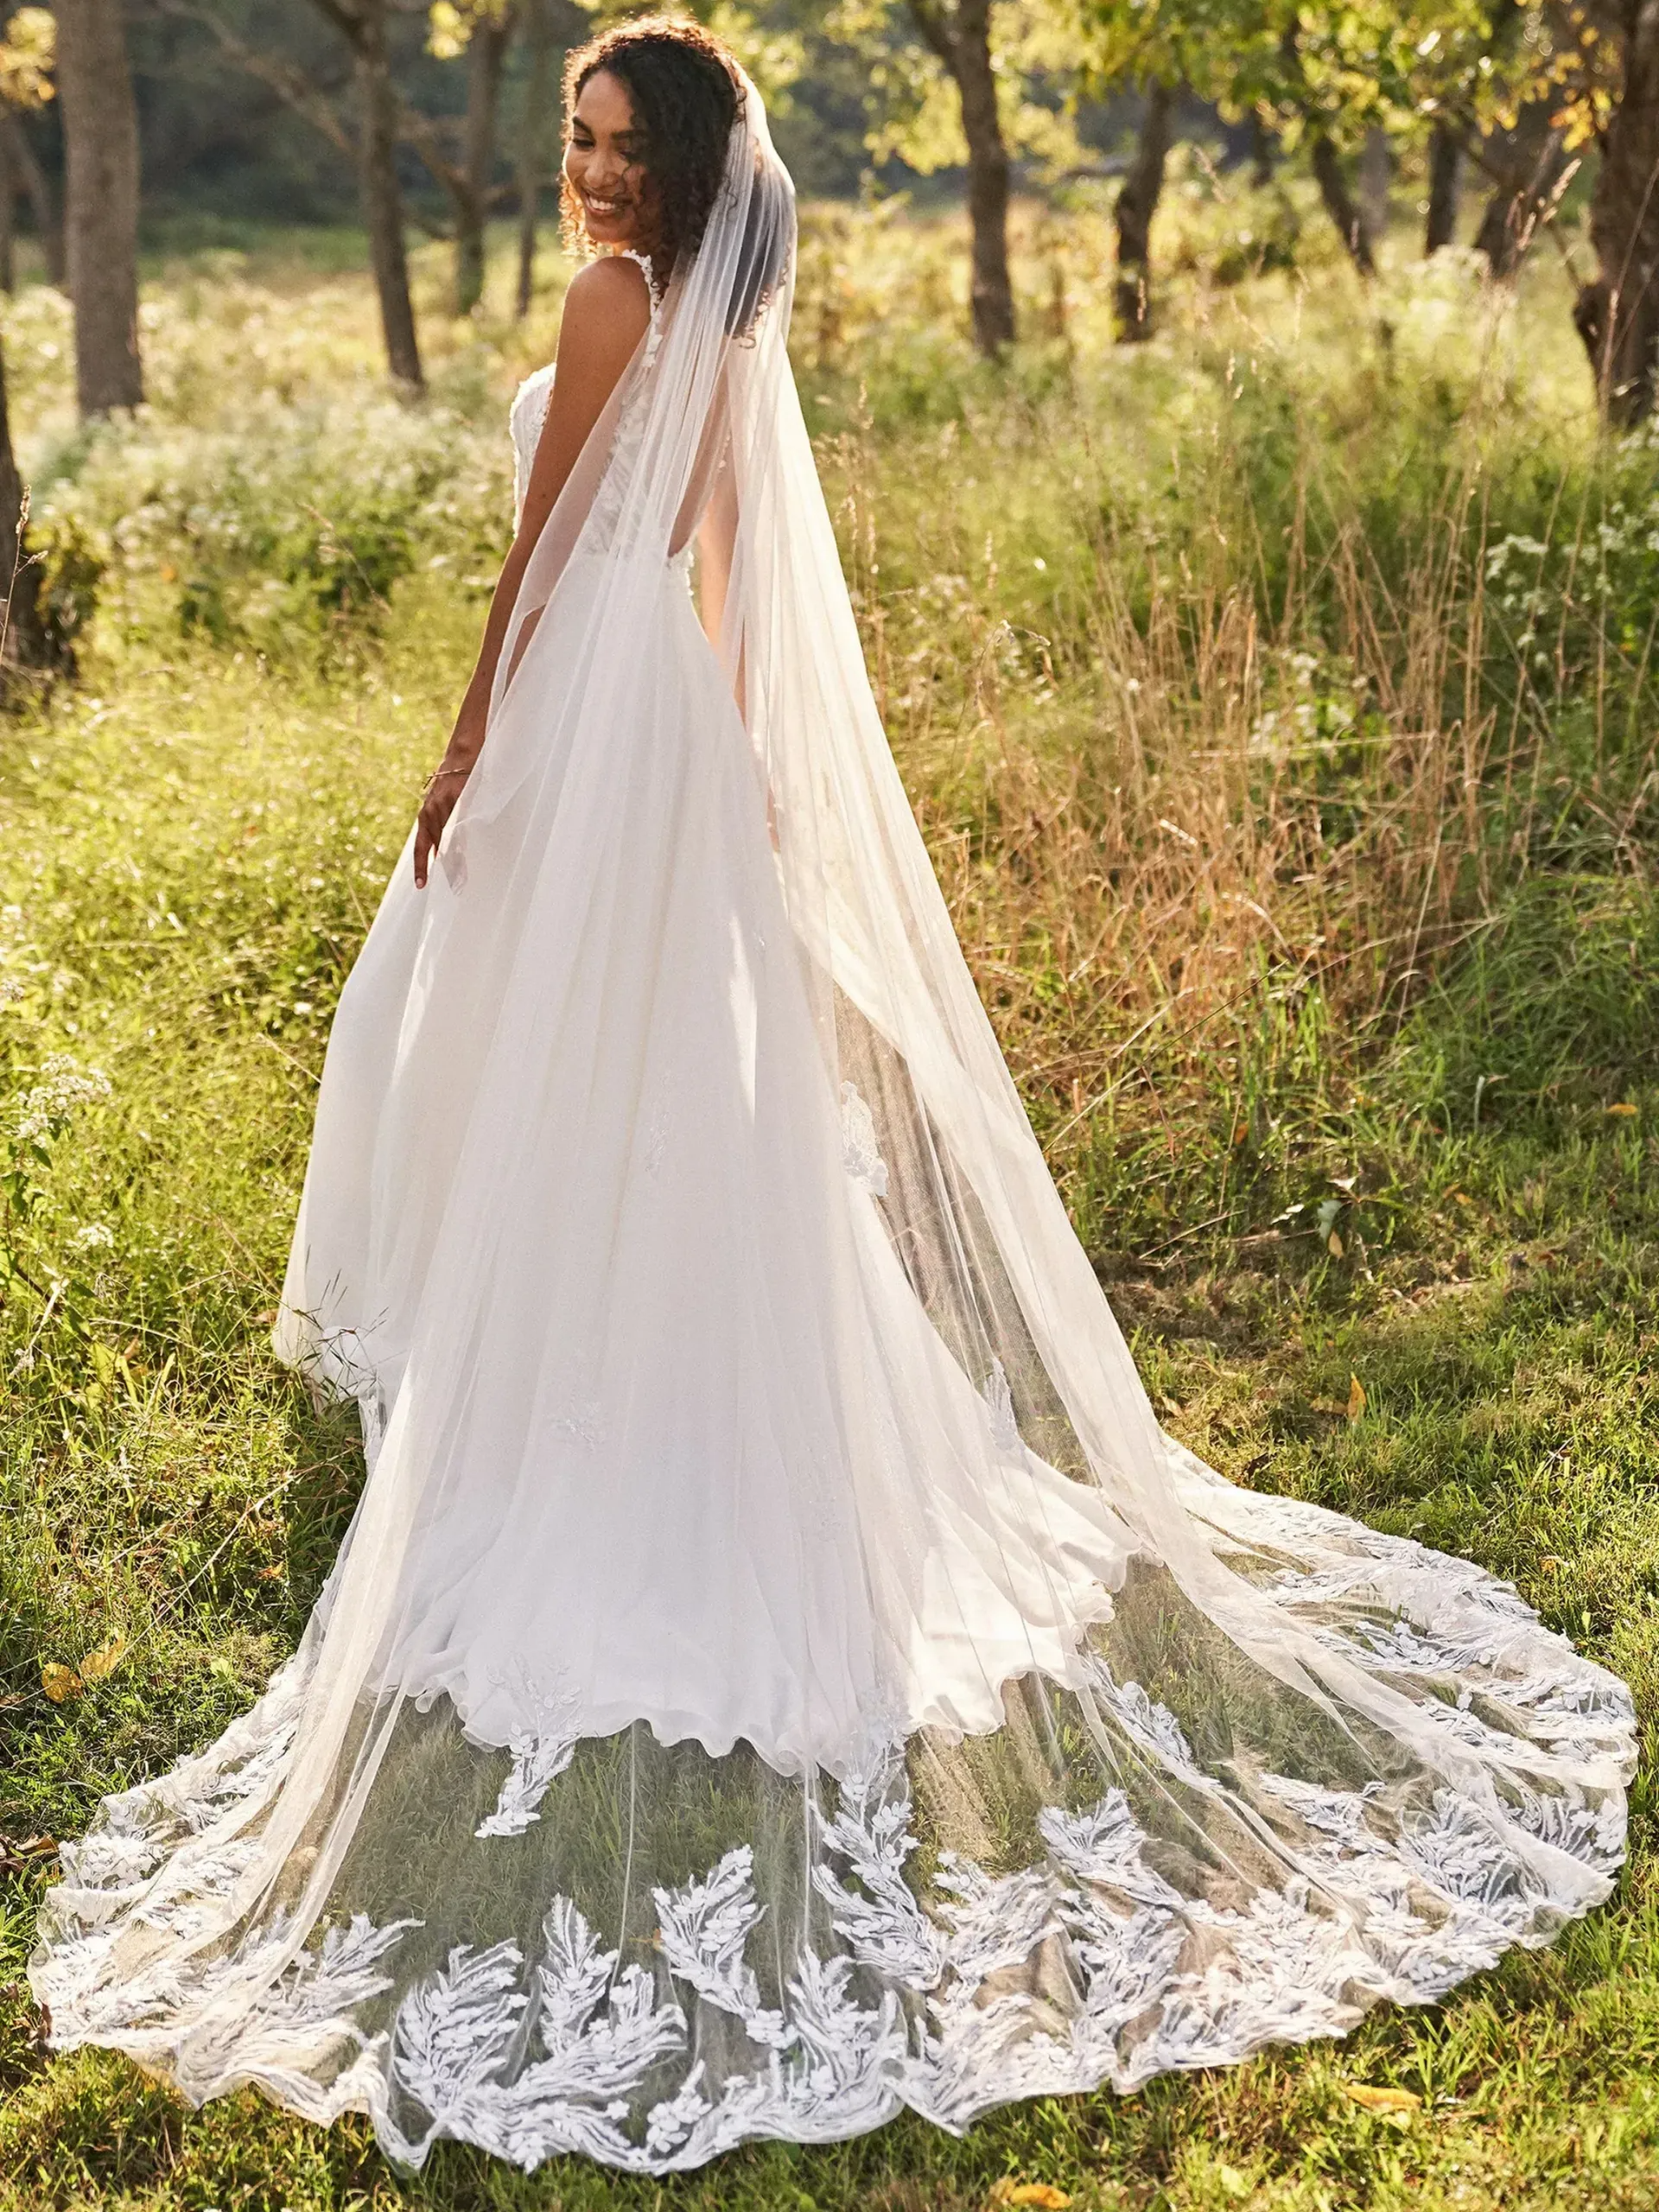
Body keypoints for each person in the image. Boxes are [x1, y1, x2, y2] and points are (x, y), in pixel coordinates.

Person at [31, 16, 1635, 2179]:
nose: (587, 173)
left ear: (677, 165)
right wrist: (744, 763)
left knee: (481, 1041)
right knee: (643, 1075)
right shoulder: (732, 307)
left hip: (591, 715)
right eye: (574, 140)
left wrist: (469, 743)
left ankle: (508, 1374)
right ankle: (599, 1352)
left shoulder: (620, 305)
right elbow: (723, 573)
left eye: (614, 144)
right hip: (667, 723)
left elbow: (544, 558)